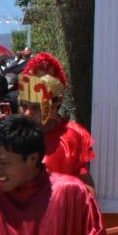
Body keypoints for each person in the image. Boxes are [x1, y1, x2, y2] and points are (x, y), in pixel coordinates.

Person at [17, 52, 95, 186]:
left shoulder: (75, 136)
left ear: (55, 104)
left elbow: (84, 186)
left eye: (36, 107)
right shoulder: (10, 134)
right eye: (24, 105)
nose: (27, 113)